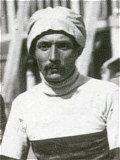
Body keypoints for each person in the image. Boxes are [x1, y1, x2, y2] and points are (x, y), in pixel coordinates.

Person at [1, 7, 119, 160]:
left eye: (63, 46)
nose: (53, 57)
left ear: (78, 50)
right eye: (44, 46)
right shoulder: (24, 104)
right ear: (33, 52)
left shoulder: (107, 95)